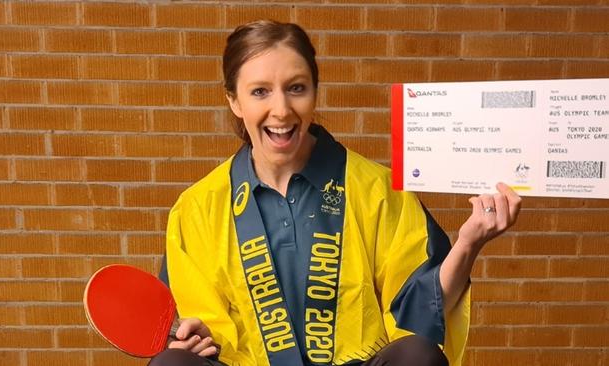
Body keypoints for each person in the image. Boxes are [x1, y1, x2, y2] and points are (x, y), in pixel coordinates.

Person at [150, 20, 521, 366]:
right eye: (260, 91)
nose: (281, 110)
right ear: (234, 100)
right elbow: (192, 327)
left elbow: (420, 302)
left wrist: (469, 243)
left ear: (314, 92)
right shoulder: (198, 207)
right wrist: (190, 340)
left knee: (417, 356)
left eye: (296, 88)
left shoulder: (374, 188)